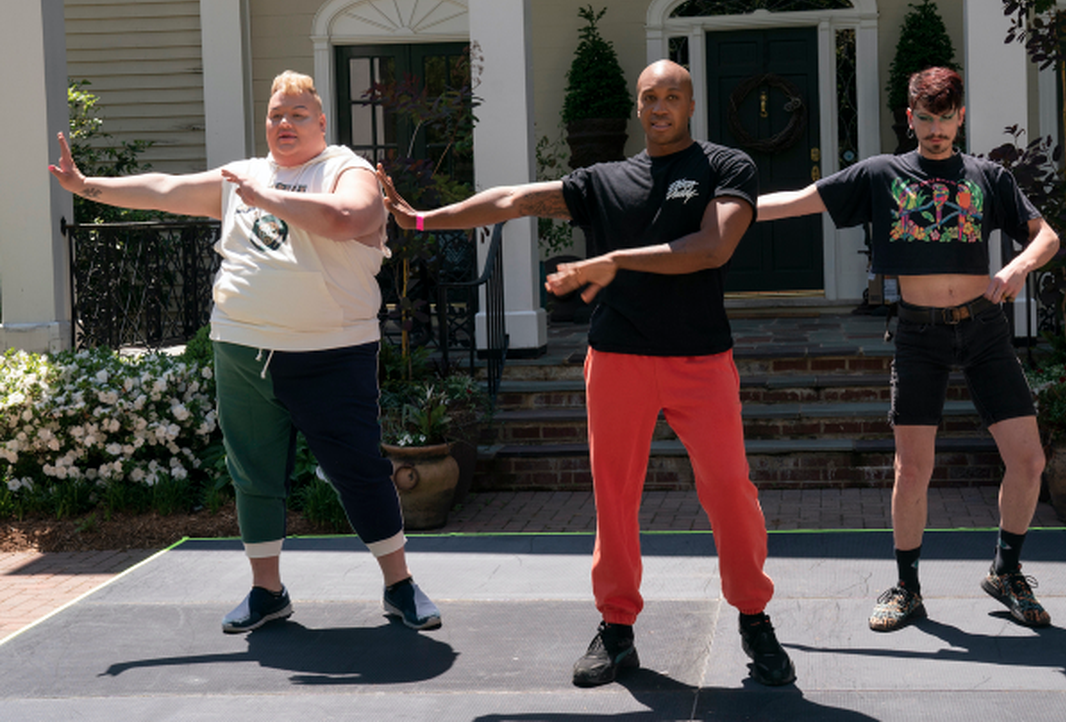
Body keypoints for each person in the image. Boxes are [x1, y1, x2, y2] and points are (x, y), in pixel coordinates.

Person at [381, 59, 795, 688]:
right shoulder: (604, 181)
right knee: (615, 501)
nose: (660, 107)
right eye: (649, 97)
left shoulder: (724, 166)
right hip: (619, 362)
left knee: (730, 495)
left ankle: (754, 618)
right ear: (637, 107)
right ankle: (617, 629)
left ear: (689, 105)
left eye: (672, 96)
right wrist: (420, 219)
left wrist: (609, 261)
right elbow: (515, 200)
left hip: (700, 361)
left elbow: (712, 248)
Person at [48, 70, 442, 634]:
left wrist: (267, 197)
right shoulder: (244, 176)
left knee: (359, 471)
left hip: (330, 352)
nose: (284, 124)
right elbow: (164, 188)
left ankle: (399, 585)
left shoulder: (343, 170)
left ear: (321, 122)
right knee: (252, 474)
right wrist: (89, 186)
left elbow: (348, 218)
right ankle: (267, 592)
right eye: (275, 115)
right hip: (242, 348)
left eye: (297, 114)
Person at [750, 67, 1060, 631]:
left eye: (945, 119)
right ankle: (907, 587)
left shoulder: (988, 176)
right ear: (909, 116)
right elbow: (798, 200)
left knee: (1030, 459)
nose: (936, 130)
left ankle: (1006, 570)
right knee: (912, 469)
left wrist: (1017, 265)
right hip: (919, 334)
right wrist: (727, 208)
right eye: (925, 118)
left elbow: (1047, 236)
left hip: (985, 328)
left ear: (960, 117)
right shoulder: (881, 174)